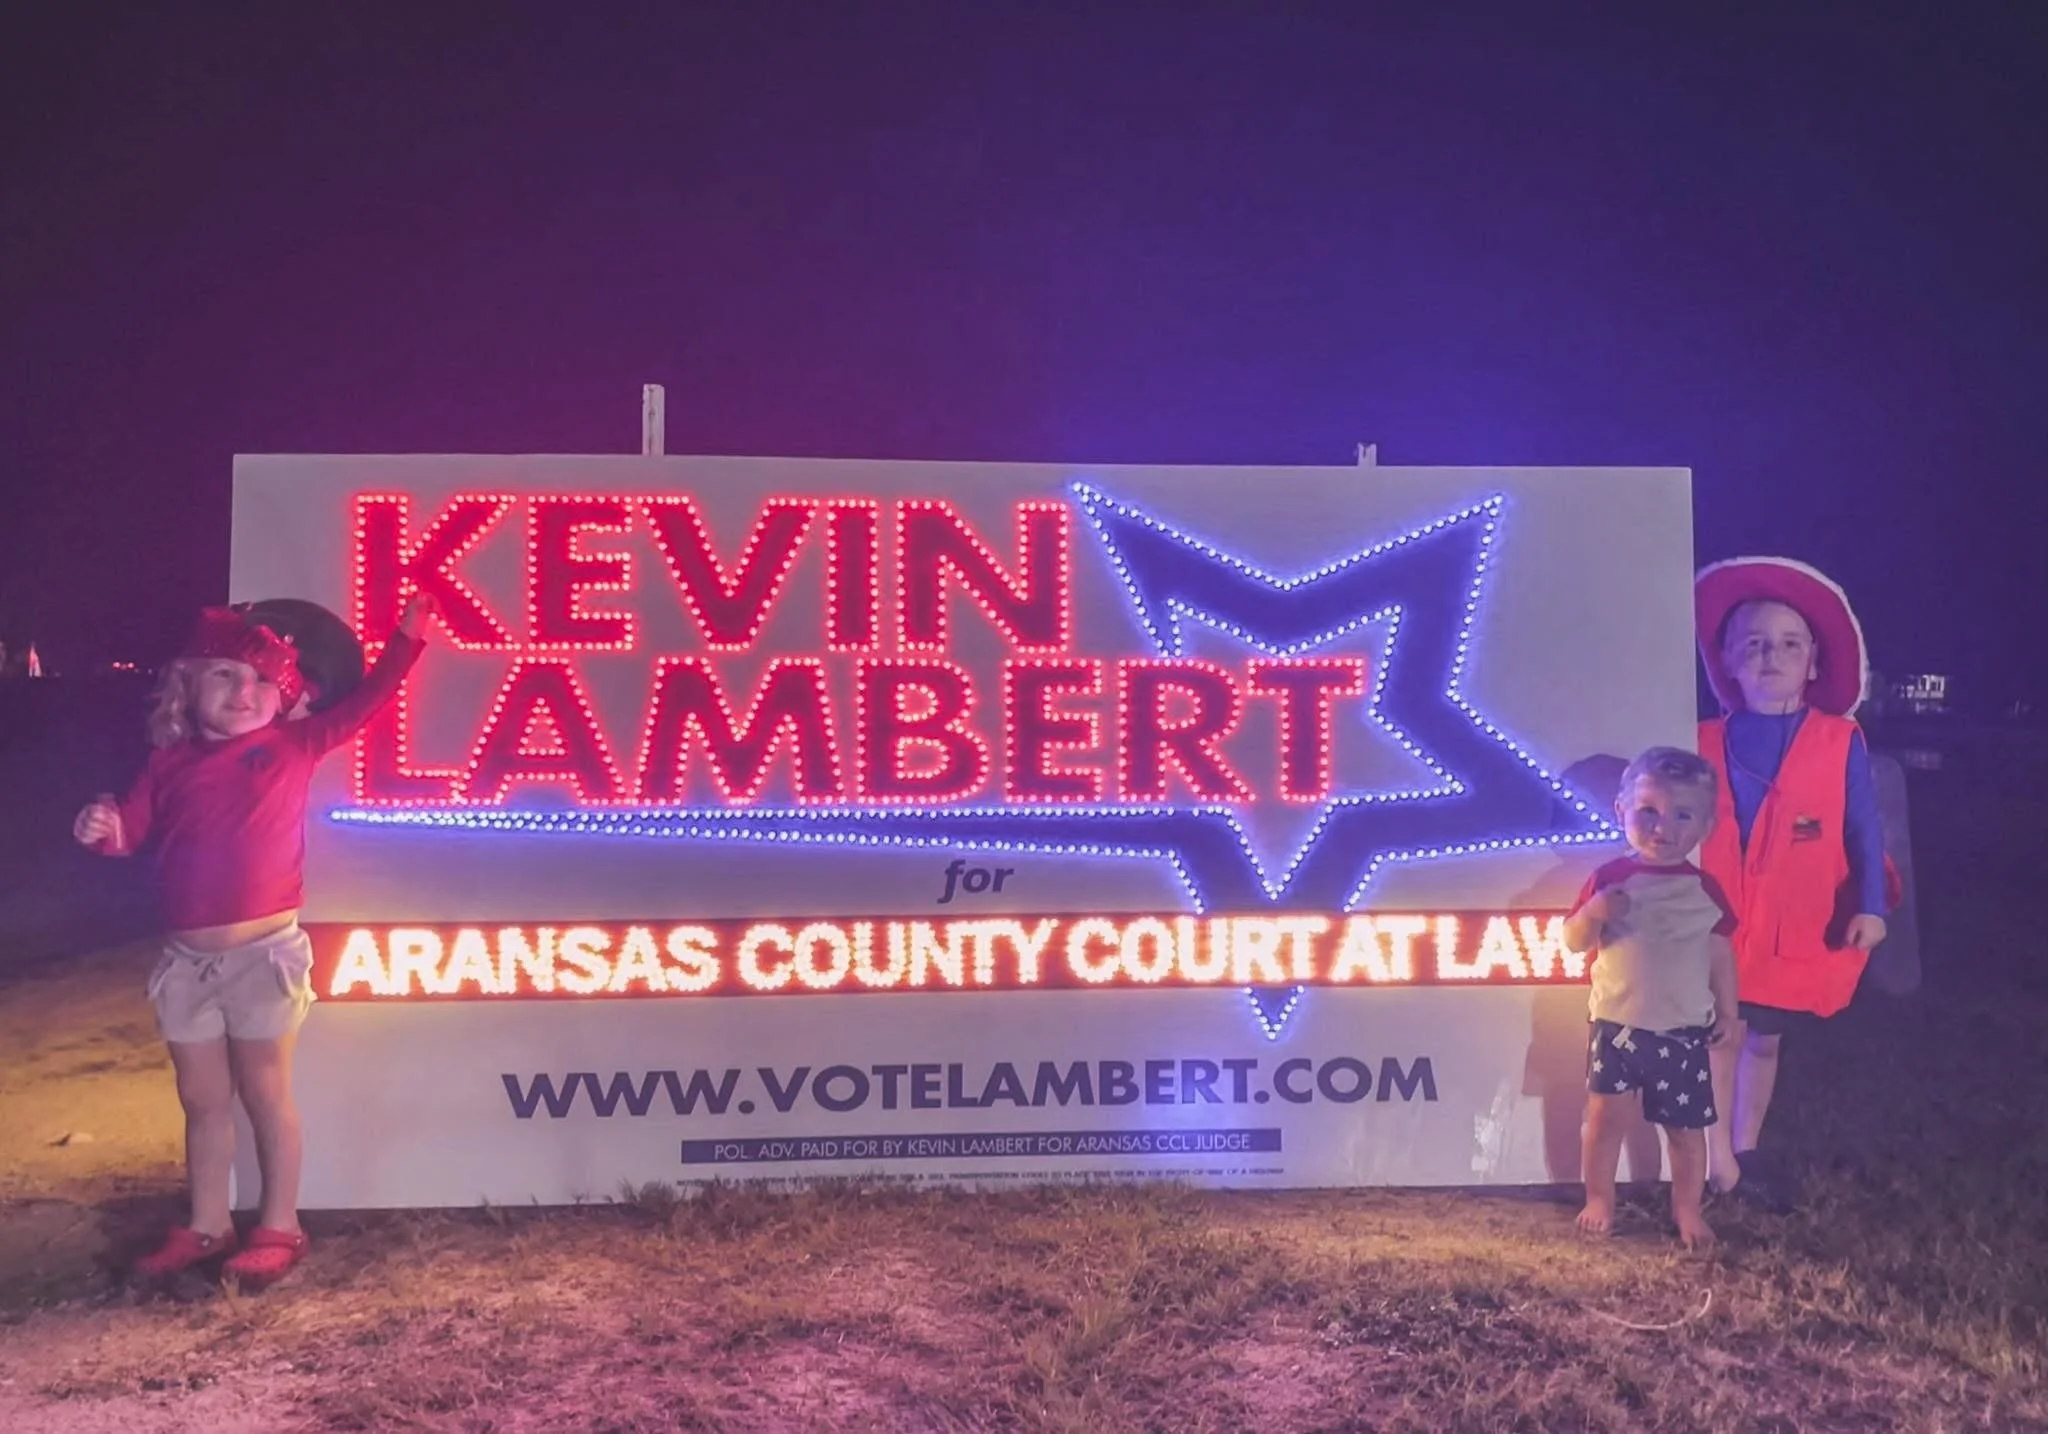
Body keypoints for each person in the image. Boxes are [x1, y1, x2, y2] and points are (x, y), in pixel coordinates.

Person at [74, 596, 433, 1287]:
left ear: (288, 699)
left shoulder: (293, 746)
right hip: (185, 964)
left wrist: (407, 641)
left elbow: (369, 704)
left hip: (264, 956)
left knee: (266, 1093)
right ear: (188, 685)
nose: (245, 693)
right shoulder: (167, 762)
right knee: (202, 1102)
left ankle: (280, 1226)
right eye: (225, 676)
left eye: (264, 682)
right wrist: (104, 827)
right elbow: (131, 832)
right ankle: (208, 1224)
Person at [1692, 558, 1894, 1208]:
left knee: (1766, 1039)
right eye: (1753, 643)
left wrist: (1869, 905)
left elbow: (1863, 828)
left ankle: (1747, 1146)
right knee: (1720, 1035)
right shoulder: (1702, 739)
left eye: (1788, 644)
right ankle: (1717, 1158)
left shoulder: (1840, 741)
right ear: (1727, 660)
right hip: (1719, 924)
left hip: (1794, 922)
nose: (1770, 656)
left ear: (1813, 662)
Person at [1564, 746, 1739, 1250]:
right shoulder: (1610, 880)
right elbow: (1574, 941)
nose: (1663, 827)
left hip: (1683, 1032)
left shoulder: (1705, 891)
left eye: (1682, 815)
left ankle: (1687, 1210)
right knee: (1603, 1122)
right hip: (1617, 1028)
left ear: (1706, 825)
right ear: (1621, 812)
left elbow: (1721, 954)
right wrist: (1594, 912)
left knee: (1686, 1134)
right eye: (1649, 812)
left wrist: (1729, 1011)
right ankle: (1599, 1198)